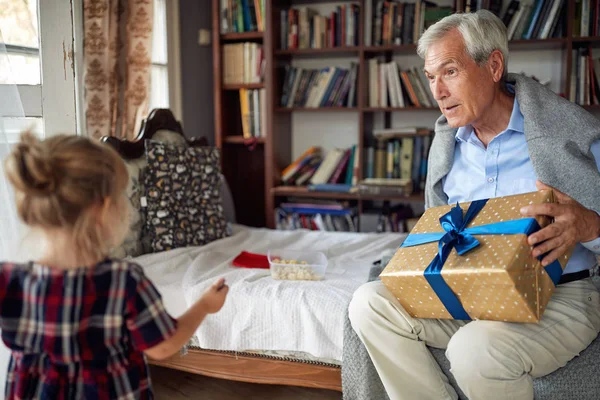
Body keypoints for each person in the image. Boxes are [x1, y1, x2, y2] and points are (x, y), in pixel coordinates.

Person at [349, 10, 600, 400]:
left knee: (473, 351)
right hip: (470, 292)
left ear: (494, 65)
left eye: (449, 72)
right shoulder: (445, 144)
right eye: (431, 77)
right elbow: (435, 229)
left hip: (560, 298)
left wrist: (590, 227)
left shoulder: (572, 134)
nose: (437, 91)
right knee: (369, 302)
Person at [0, 132, 229, 399]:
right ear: (104, 208)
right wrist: (205, 306)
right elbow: (163, 347)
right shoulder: (122, 282)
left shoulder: (10, 280)